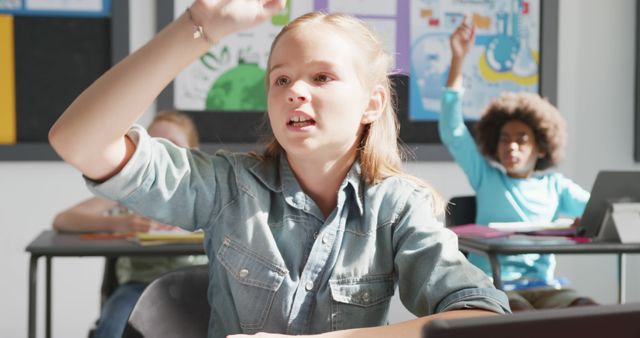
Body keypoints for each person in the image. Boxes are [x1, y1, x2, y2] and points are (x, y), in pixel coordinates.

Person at [48, 2, 511, 337]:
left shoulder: (399, 206)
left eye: (322, 77)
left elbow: (484, 316)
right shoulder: (226, 185)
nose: (295, 91)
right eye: (281, 79)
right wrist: (198, 29)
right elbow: (78, 142)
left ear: (372, 103)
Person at [439, 16, 597, 311]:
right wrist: (458, 60)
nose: (511, 145)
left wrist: (585, 224)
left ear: (540, 147)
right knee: (521, 315)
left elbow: (598, 212)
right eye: (504, 138)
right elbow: (452, 130)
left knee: (588, 308)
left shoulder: (556, 186)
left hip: (544, 287)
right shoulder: (486, 176)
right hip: (494, 285)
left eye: (522, 138)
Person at [52, 111, 207, 338]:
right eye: (156, 144)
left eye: (173, 144)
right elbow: (63, 219)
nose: (164, 151)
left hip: (197, 283)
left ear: (192, 151)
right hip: (140, 285)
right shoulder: (131, 190)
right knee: (115, 323)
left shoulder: (205, 191)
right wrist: (120, 222)